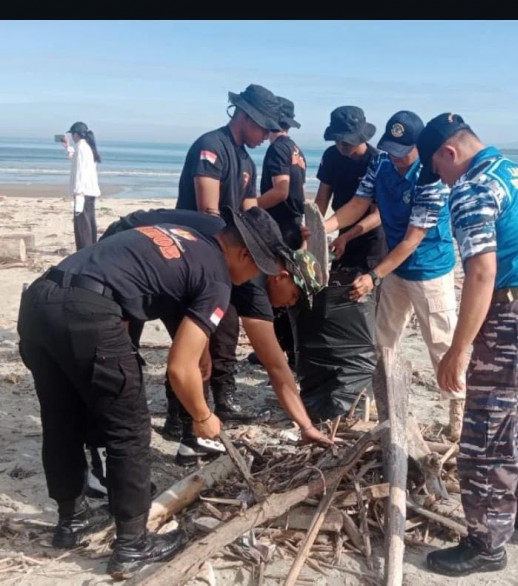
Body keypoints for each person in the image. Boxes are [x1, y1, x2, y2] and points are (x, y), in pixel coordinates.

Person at [16, 206, 295, 577]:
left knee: (61, 418)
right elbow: (179, 369)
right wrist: (203, 417)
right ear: (244, 254)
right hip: (88, 310)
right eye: (258, 268)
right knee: (129, 428)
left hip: (40, 301)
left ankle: (71, 521)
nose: (254, 279)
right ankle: (133, 544)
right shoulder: (218, 277)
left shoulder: (185, 238)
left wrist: (203, 358)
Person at [417, 114, 518, 577]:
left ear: (450, 153)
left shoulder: (473, 187)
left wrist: (459, 348)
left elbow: (481, 272)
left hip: (512, 321)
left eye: (436, 169)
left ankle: (486, 543)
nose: (440, 181)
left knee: (485, 438)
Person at [90, 208, 330, 475]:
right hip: (131, 246)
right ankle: (102, 454)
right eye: (295, 296)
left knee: (198, 355)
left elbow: (194, 305)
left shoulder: (244, 265)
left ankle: (191, 437)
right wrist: (306, 427)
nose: (291, 304)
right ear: (282, 277)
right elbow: (276, 366)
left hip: (177, 264)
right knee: (118, 362)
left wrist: (203, 349)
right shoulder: (252, 279)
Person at [323, 111, 464, 439]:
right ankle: (378, 403)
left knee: (442, 344)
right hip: (396, 268)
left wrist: (373, 276)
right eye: (392, 150)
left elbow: (412, 240)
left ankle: (458, 412)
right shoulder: (381, 164)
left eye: (403, 153)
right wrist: (324, 227)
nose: (397, 159)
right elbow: (358, 204)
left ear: (419, 148)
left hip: (429, 270)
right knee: (384, 338)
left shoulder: (431, 178)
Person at [172, 84, 282, 431]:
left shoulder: (247, 159)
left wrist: (269, 241)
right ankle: (180, 413)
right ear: (244, 116)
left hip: (235, 252)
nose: (268, 135)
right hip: (200, 251)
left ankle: (224, 396)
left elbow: (250, 210)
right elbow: (207, 209)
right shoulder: (212, 146)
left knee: (228, 326)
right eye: (264, 127)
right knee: (194, 332)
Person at [253, 96, 307, 369]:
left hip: (279, 226)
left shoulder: (277, 150)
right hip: (294, 225)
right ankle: (289, 349)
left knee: (275, 288)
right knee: (288, 290)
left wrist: (249, 205)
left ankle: (279, 349)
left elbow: (281, 190)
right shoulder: (296, 149)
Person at [314, 106, 387, 274]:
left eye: (346, 141)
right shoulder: (331, 155)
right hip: (341, 226)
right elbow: (322, 198)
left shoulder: (376, 162)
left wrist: (346, 237)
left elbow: (378, 215)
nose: (341, 145)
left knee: (363, 292)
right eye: (337, 139)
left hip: (370, 237)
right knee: (337, 287)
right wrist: (315, 227)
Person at [62, 122, 101, 250]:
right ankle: (91, 248)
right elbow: (76, 160)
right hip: (89, 190)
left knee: (82, 224)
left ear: (76, 134)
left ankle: (85, 250)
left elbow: (80, 170)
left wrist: (78, 191)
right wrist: (67, 147)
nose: (72, 137)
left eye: (72, 134)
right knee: (89, 221)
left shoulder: (82, 147)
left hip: (83, 191)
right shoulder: (86, 146)